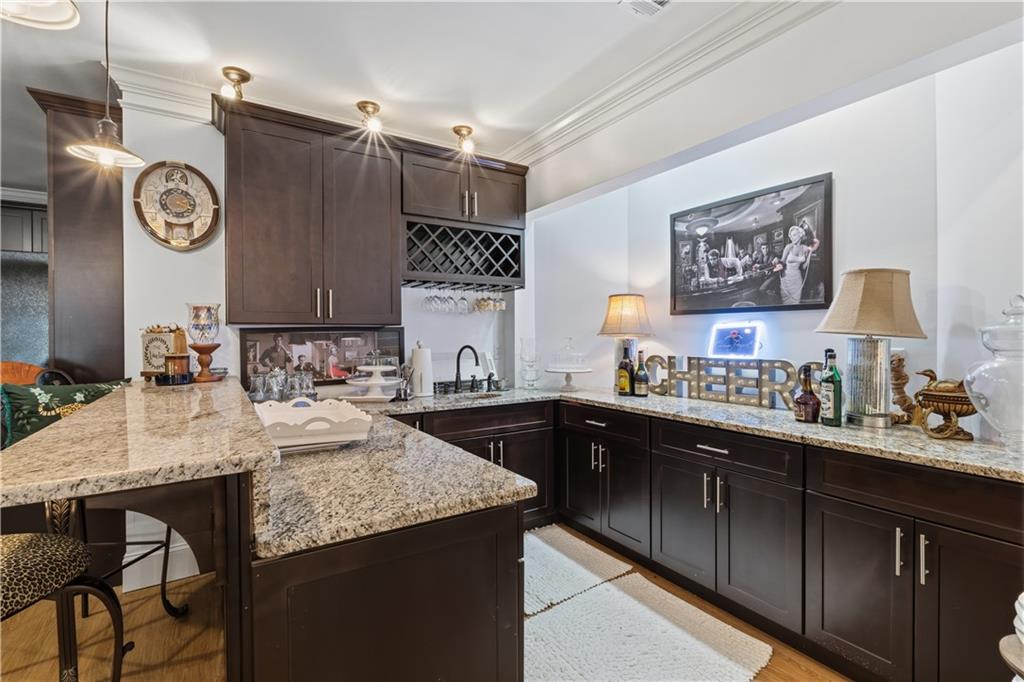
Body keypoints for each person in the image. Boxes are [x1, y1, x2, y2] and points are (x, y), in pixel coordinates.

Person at [779, 225, 821, 305]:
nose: (792, 237)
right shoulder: (788, 247)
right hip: (786, 279)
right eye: (791, 236)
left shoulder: (804, 248)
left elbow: (804, 266)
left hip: (797, 279)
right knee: (786, 303)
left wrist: (809, 254)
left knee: (796, 302)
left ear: (800, 235)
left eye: (794, 235)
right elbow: (782, 262)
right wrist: (777, 263)